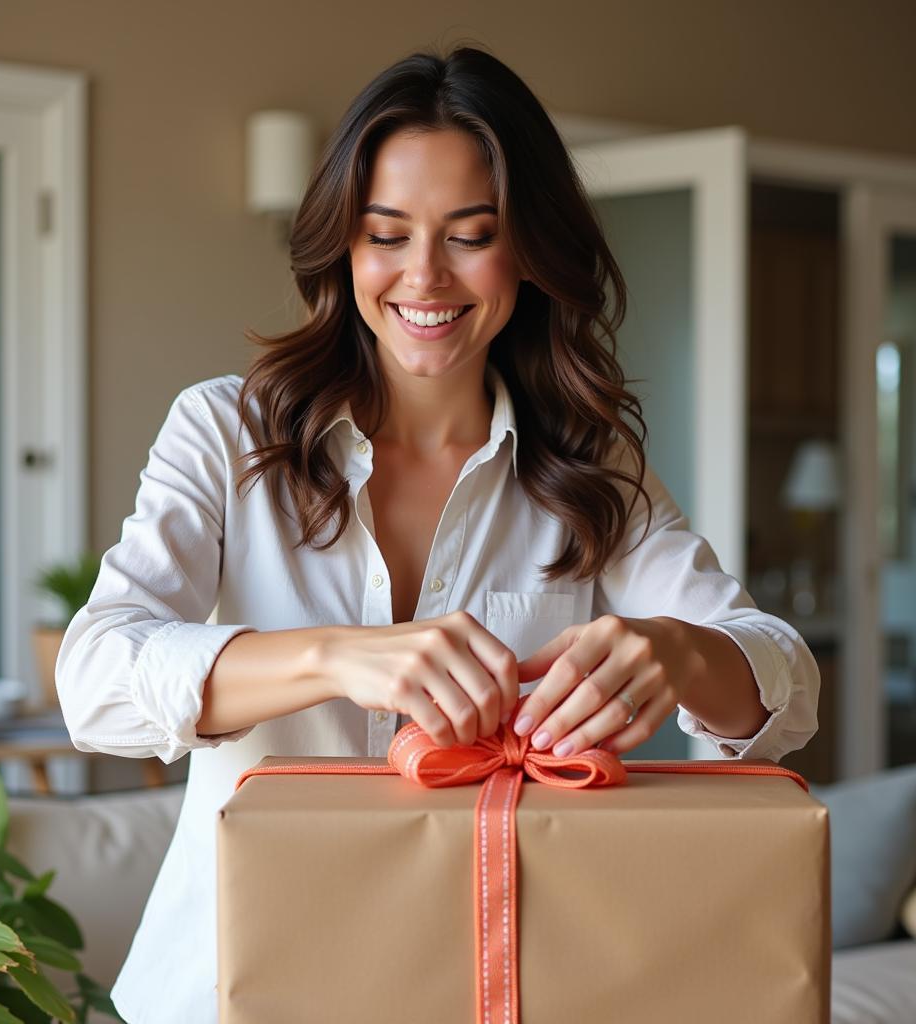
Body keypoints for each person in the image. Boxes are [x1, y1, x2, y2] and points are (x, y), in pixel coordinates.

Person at [56, 45, 820, 1024]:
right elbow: (95, 678)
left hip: (484, 986)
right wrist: (337, 656)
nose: (423, 275)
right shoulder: (223, 431)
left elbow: (785, 681)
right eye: (386, 233)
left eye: (470, 234)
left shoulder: (588, 465)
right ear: (344, 245)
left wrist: (675, 650)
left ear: (528, 249)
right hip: (223, 988)